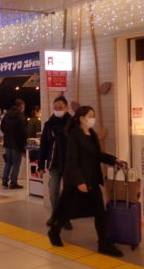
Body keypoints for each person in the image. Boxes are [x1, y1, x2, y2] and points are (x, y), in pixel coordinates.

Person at [47, 106, 126, 257]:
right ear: (82, 118)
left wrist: (113, 159)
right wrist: (79, 181)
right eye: (90, 116)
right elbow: (71, 161)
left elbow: (97, 154)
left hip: (91, 179)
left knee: (99, 212)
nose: (93, 119)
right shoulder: (74, 136)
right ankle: (54, 231)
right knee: (67, 211)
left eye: (94, 116)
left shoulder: (92, 134)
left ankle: (103, 243)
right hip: (77, 182)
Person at [38, 96, 73, 229]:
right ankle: (55, 215)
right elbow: (43, 145)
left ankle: (66, 218)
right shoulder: (49, 125)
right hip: (54, 164)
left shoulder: (73, 124)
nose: (58, 110)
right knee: (53, 192)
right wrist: (41, 164)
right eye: (55, 108)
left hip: (69, 165)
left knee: (68, 193)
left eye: (60, 108)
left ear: (66, 108)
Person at [0, 99, 27, 189]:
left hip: (7, 142)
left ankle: (4, 180)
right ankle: (13, 182)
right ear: (21, 106)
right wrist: (23, 143)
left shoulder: (7, 114)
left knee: (8, 162)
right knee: (16, 163)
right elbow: (23, 131)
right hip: (17, 143)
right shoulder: (20, 116)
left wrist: (7, 134)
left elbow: (2, 127)